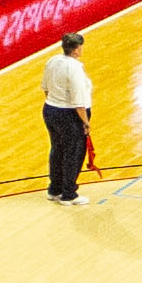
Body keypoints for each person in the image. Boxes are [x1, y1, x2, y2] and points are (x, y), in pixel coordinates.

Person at [41, 31, 95, 201]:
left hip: (50, 109)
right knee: (74, 153)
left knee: (57, 149)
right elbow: (78, 100)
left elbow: (45, 87)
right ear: (77, 50)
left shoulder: (53, 61)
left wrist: (55, 102)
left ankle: (54, 189)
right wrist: (85, 122)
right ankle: (69, 193)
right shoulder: (75, 69)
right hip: (70, 114)